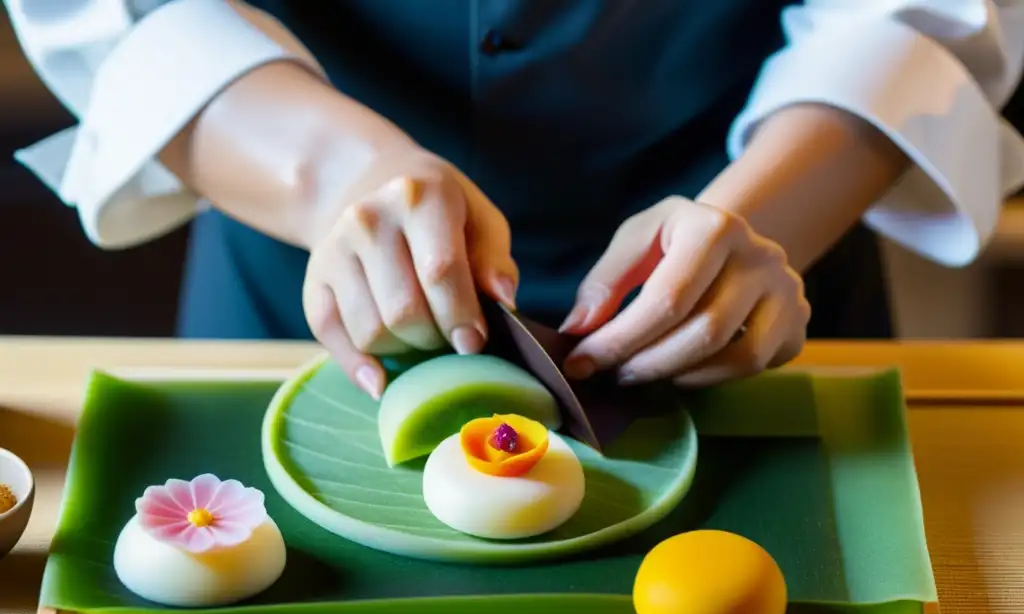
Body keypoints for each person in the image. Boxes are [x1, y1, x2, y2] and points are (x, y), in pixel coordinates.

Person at [6, 1, 1024, 399]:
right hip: (294, 317)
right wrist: (336, 175)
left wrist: (760, 225)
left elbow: (927, 14)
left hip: (756, 315)